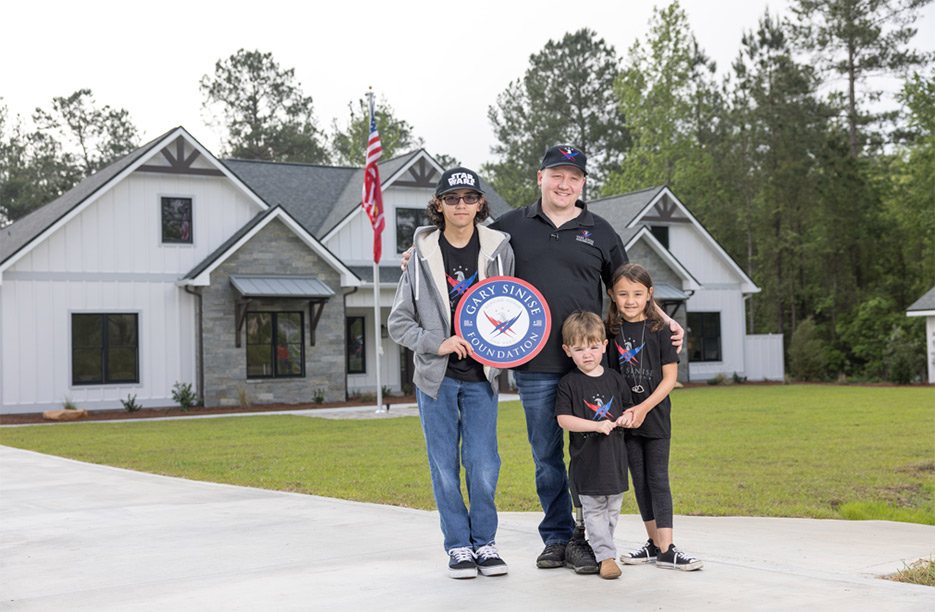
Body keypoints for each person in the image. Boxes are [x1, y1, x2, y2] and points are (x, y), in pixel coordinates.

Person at [402, 145, 683, 571]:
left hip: (590, 364)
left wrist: (665, 318)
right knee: (546, 456)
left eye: (573, 177)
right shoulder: (511, 226)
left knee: (594, 451)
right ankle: (557, 537)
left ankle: (589, 539)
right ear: (541, 177)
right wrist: (415, 250)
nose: (564, 184)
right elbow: (459, 238)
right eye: (557, 175)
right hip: (533, 366)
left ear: (583, 183)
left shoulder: (601, 231)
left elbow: (628, 288)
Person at [388, 167, 515, 579]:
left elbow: (512, 305)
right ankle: (459, 546)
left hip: (482, 377)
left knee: (483, 463)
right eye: (452, 198)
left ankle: (486, 542)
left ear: (480, 204)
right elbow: (398, 322)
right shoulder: (421, 257)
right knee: (444, 465)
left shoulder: (499, 251)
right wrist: (436, 342)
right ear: (438, 206)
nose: (461, 205)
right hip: (436, 379)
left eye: (469, 197)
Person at [606, 263, 703, 571]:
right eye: (623, 294)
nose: (630, 300)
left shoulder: (661, 331)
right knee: (640, 481)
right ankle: (654, 545)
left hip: (655, 417)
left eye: (637, 293)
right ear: (612, 295)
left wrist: (643, 408)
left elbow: (669, 379)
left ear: (649, 294)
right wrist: (623, 412)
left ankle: (668, 547)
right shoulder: (611, 331)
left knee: (658, 479)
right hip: (625, 420)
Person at [554, 311, 634, 579]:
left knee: (612, 512)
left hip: (615, 462)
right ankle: (606, 557)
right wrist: (597, 425)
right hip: (587, 463)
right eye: (579, 349)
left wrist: (626, 418)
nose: (587, 354)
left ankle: (602, 549)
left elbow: (629, 409)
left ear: (604, 346)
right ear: (567, 350)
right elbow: (564, 420)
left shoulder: (614, 379)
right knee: (594, 511)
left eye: (593, 347)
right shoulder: (569, 384)